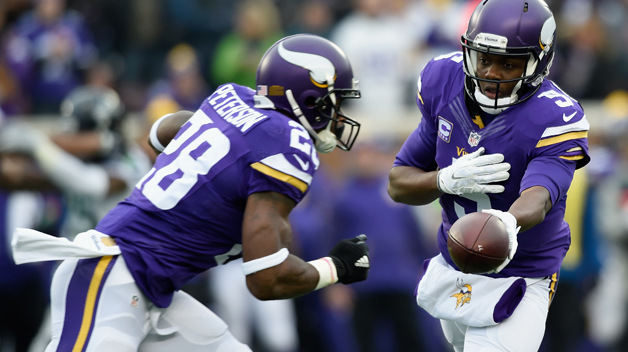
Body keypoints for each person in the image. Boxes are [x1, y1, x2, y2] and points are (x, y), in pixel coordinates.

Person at [11, 33, 370, 352]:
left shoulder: (232, 98)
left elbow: (161, 133)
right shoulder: (287, 145)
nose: (338, 113)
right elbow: (266, 277)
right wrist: (335, 268)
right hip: (112, 273)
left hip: (151, 287)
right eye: (332, 100)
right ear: (305, 98)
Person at [387, 0, 590, 351]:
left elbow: (539, 197)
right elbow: (397, 183)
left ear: (538, 62)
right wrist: (442, 180)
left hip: (521, 273)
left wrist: (505, 224)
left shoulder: (555, 116)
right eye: (484, 58)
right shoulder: (443, 82)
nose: (492, 72)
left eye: (508, 63)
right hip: (455, 266)